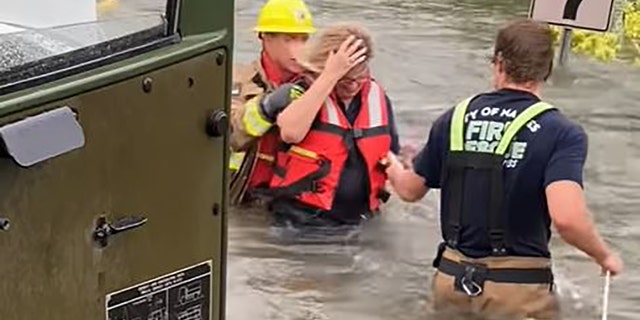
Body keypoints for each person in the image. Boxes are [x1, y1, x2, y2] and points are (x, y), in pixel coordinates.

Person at [385, 19, 623, 319]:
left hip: (450, 280)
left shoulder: (453, 119)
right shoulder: (561, 131)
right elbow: (567, 218)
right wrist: (604, 256)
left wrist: (390, 163)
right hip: (518, 292)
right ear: (546, 71)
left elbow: (408, 190)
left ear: (498, 63)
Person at [248, 23, 402, 228]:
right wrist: (330, 76)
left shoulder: (376, 97)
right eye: (346, 80)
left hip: (360, 221)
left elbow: (391, 154)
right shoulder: (302, 91)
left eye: (360, 78)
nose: (354, 86)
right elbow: (291, 133)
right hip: (301, 221)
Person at [228, 0, 315, 206]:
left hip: (293, 206)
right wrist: (267, 106)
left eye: (304, 39)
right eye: (290, 39)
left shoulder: (316, 86)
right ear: (265, 38)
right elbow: (231, 134)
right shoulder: (237, 80)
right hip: (242, 200)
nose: (299, 48)